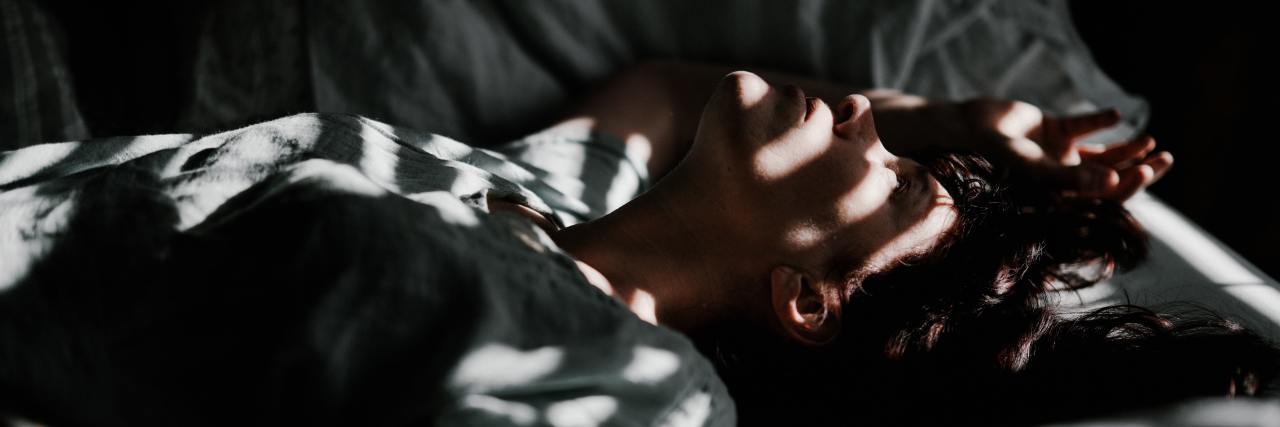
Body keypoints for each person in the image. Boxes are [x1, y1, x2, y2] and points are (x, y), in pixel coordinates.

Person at [0, 60, 1268, 426]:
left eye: (886, 175)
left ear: (811, 302)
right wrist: (958, 117)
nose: (864, 121)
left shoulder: (629, 373)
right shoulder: (553, 199)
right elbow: (662, 90)